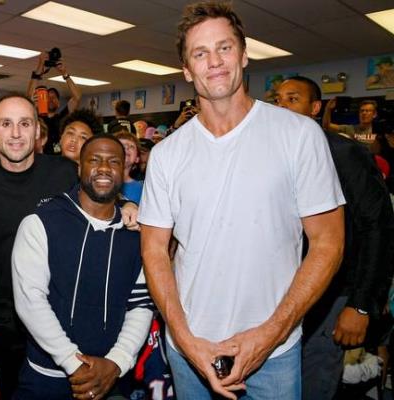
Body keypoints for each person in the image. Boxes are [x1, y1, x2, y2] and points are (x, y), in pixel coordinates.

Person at [138, 3, 346, 399]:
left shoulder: (298, 135)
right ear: (186, 70)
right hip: (189, 352)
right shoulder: (167, 154)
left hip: (275, 355)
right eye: (200, 53)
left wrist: (269, 335)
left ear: (244, 54)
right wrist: (184, 337)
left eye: (224, 48)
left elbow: (329, 244)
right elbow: (154, 250)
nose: (213, 61)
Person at [0, 93, 139, 400]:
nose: (15, 133)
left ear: (38, 131)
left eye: (25, 123)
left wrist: (128, 203)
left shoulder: (64, 172)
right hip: (7, 321)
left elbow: (101, 192)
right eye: (6, 124)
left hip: (68, 319)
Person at [275, 76, 394, 399]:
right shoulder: (272, 155)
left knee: (314, 383)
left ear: (315, 108)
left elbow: (377, 228)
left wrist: (361, 305)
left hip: (333, 295)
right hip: (281, 293)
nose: (282, 107)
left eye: (292, 99)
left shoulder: (344, 153)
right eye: (278, 100)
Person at [12, 135, 153, 399]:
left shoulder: (137, 233)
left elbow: (141, 304)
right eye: (94, 160)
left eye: (113, 161)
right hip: (46, 378)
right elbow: (30, 301)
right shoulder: (40, 223)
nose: (103, 168)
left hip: (112, 378)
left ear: (124, 170)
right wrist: (74, 363)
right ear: (79, 167)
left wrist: (117, 361)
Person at [27, 52, 82, 154]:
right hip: (40, 159)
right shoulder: (37, 118)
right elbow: (29, 97)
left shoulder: (63, 117)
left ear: (59, 103)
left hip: (58, 160)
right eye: (48, 97)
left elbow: (77, 97)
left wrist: (65, 74)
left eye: (54, 98)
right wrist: (40, 65)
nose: (51, 100)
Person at [115, 131, 143, 204]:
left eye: (131, 146)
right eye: (121, 145)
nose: (126, 147)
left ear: (137, 158)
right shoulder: (101, 182)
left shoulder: (143, 188)